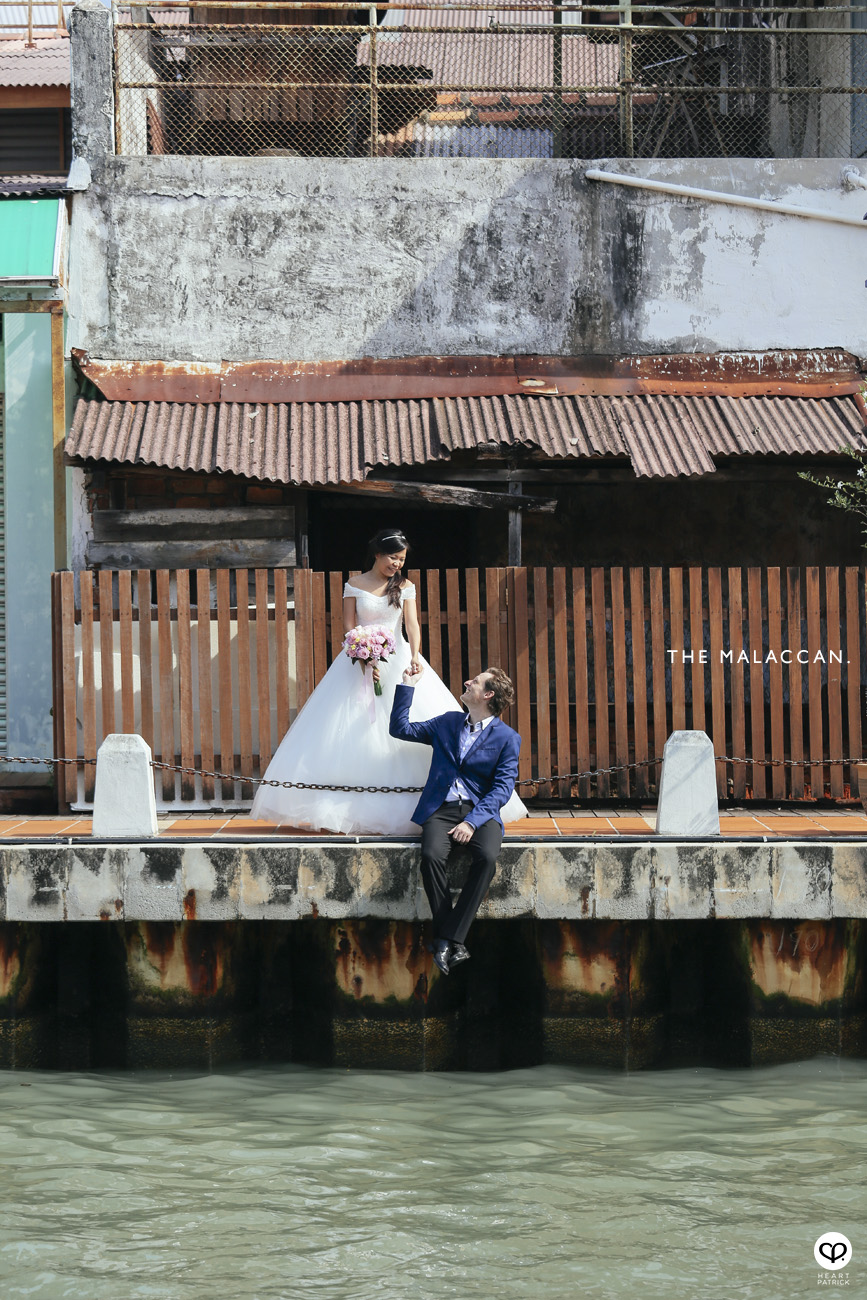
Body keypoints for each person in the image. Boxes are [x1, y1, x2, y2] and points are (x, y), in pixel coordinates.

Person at [250, 527, 527, 835]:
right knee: (351, 730)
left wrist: (415, 655)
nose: (397, 564)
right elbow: (348, 626)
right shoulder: (354, 584)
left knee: (398, 723)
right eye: (393, 557)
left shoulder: (405, 586)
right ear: (378, 554)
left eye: (402, 559)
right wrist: (363, 655)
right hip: (357, 662)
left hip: (397, 659)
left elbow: (412, 625)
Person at [389, 663, 521, 975]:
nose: (467, 681)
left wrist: (473, 822)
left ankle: (446, 939)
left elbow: (503, 788)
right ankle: (453, 941)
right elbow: (400, 729)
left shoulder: (507, 738)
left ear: (487, 695)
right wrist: (407, 686)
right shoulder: (447, 723)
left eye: (474, 682)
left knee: (487, 857)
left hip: (480, 811)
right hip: (441, 809)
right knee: (431, 856)